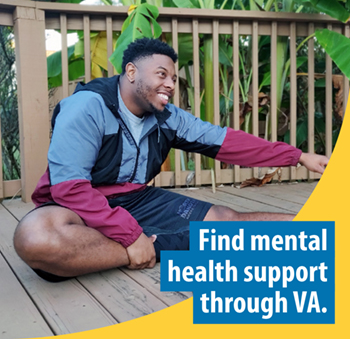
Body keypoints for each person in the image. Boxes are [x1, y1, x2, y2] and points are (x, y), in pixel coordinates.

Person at [13, 38, 328, 282]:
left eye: (174, 79)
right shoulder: (86, 107)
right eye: (162, 74)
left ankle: (157, 245)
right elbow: (70, 189)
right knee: (35, 237)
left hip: (135, 198)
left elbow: (226, 141)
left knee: (224, 218)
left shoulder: (167, 117)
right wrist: (131, 236)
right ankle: (168, 244)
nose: (170, 85)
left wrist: (298, 156)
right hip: (80, 204)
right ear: (132, 72)